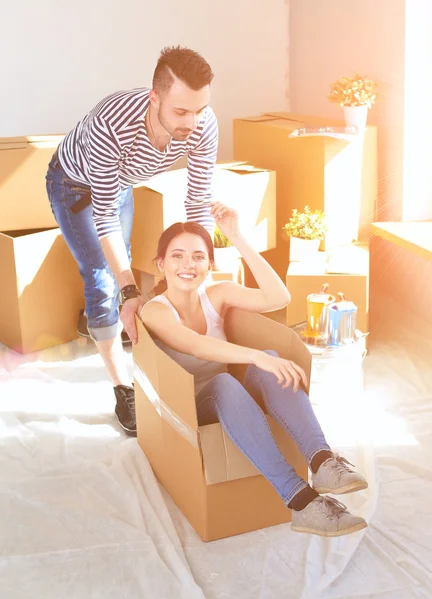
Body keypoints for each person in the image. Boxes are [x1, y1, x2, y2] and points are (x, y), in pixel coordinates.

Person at [139, 202, 369, 537]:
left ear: (210, 264)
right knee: (227, 380)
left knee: (270, 361)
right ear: (161, 263)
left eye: (198, 256)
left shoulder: (217, 293)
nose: (188, 264)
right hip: (192, 407)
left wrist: (237, 236)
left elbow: (278, 297)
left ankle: (321, 462)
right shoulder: (154, 312)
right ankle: (301, 501)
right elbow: (195, 345)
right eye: (177, 256)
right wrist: (255, 357)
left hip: (233, 404)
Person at [45, 46, 218, 436]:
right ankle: (122, 388)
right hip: (73, 186)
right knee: (104, 279)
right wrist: (128, 291)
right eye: (181, 112)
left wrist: (199, 265)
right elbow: (102, 215)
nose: (193, 123)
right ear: (154, 97)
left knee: (112, 274)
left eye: (200, 109)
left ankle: (94, 318)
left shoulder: (203, 124)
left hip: (116, 185)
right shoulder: (112, 121)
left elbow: (197, 201)